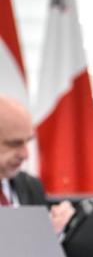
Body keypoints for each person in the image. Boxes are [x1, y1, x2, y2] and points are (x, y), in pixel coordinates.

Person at [0, 94, 74, 234]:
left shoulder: (31, 186)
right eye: (14, 143)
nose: (25, 155)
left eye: (27, 141)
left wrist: (54, 232)